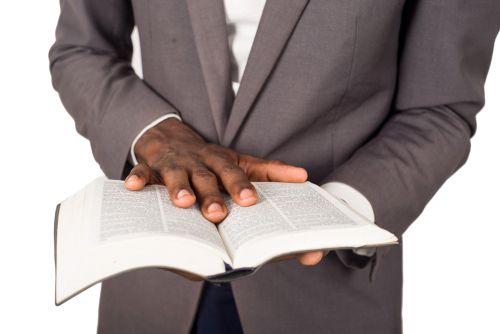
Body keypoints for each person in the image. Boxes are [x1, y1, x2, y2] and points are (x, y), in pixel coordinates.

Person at [49, 0, 500, 333]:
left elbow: (439, 109)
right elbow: (81, 50)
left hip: (325, 295)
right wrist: (154, 132)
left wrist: (333, 214)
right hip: (152, 287)